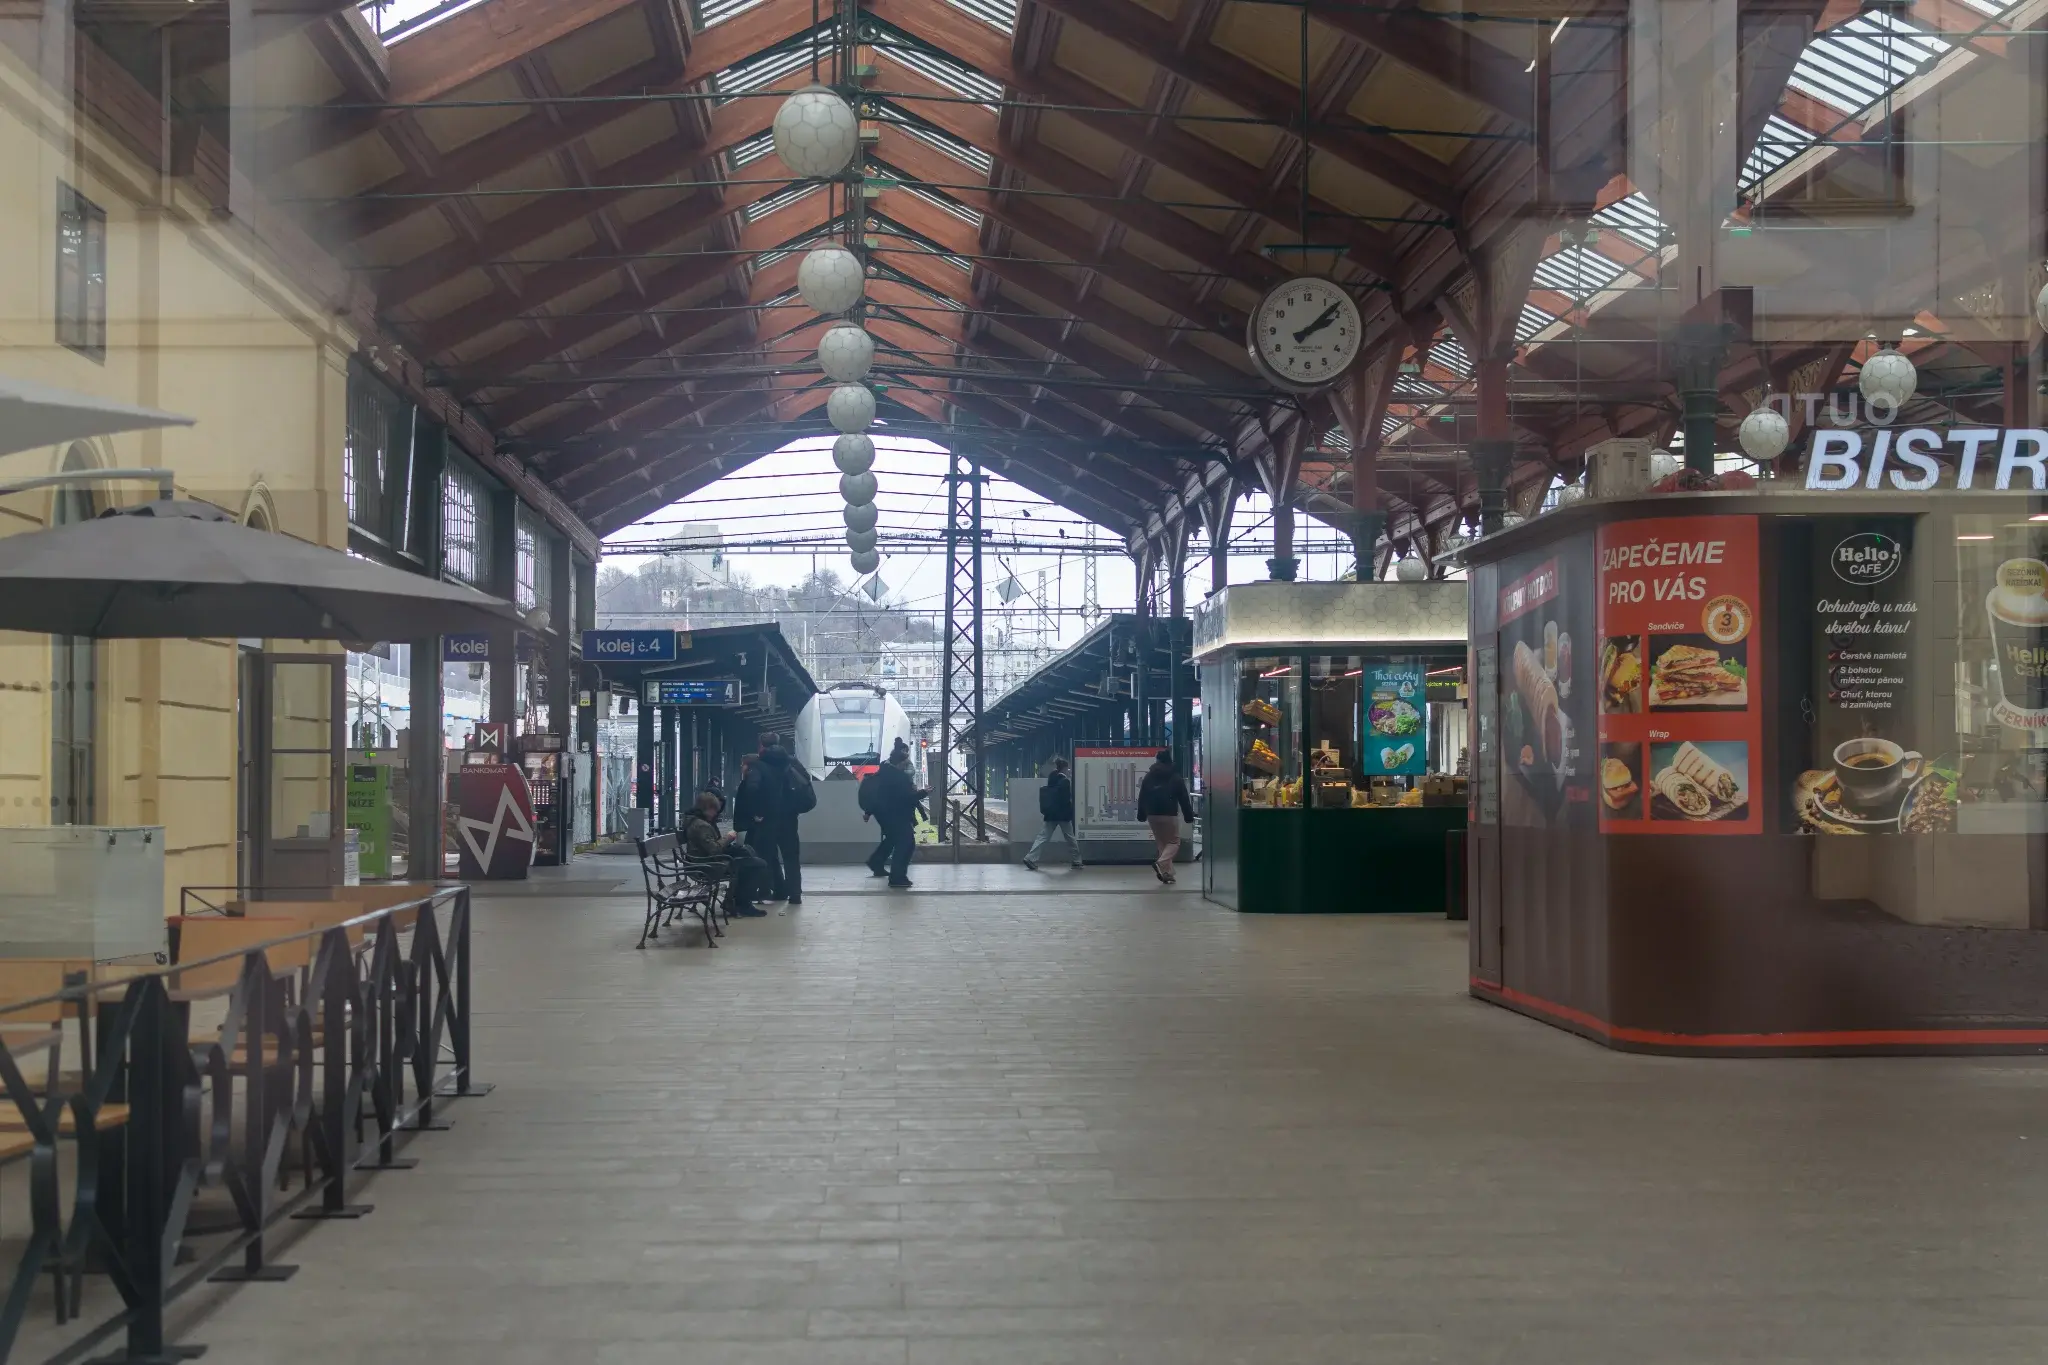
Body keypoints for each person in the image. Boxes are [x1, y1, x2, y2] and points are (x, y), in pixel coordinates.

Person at [739, 731, 811, 905]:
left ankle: (767, 891)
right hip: (789, 818)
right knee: (791, 857)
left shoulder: (759, 764)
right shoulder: (792, 762)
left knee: (766, 856)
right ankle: (795, 894)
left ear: (761, 746)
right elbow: (805, 782)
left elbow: (752, 789)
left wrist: (757, 812)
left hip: (767, 820)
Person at [681, 790, 769, 916]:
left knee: (749, 857)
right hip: (707, 866)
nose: (716, 812)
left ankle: (738, 901)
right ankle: (741, 903)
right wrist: (728, 838)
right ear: (706, 808)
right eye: (714, 809)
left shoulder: (697, 821)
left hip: (705, 862)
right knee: (757, 864)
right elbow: (714, 850)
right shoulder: (701, 825)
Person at [861, 740, 926, 887]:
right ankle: (897, 877)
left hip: (883, 813)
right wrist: (923, 793)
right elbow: (906, 797)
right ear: (901, 762)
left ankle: (876, 863)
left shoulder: (883, 771)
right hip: (896, 814)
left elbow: (877, 793)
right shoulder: (898, 777)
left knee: (892, 839)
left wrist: (868, 812)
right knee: (905, 843)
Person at [1136, 749, 1195, 884]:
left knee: (1162, 844)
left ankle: (1167, 873)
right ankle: (1160, 863)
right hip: (1169, 814)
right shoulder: (1175, 776)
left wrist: (1141, 814)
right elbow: (1184, 798)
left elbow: (1142, 796)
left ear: (1157, 760)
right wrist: (1188, 816)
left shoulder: (1149, 776)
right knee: (1174, 842)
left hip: (1152, 814)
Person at [1022, 757, 1082, 871]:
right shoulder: (1065, 781)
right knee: (1070, 838)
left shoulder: (1052, 777)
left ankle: (1030, 858)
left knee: (1043, 837)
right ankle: (1077, 861)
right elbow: (1065, 800)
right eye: (1067, 768)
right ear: (1064, 768)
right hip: (1063, 816)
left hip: (1050, 813)